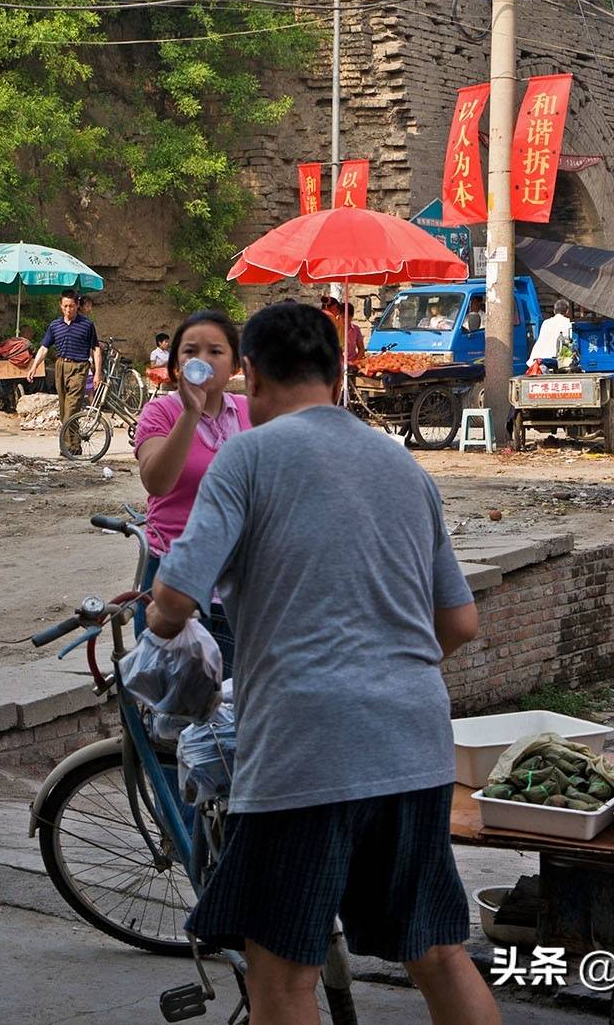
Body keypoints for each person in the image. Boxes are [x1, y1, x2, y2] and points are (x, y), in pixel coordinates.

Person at [150, 301, 496, 1025]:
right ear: (339, 376)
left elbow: (176, 597)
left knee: (283, 975)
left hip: (308, 747)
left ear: (251, 378)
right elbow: (460, 620)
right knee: (436, 951)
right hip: (415, 741)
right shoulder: (402, 464)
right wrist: (383, 664)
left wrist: (159, 615)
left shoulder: (249, 453)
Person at [133, 311, 249, 669]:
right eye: (190, 352)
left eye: (215, 351)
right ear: (175, 365)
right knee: (172, 712)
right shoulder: (159, 413)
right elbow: (157, 481)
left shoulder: (251, 413)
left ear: (234, 366)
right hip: (172, 580)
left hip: (238, 583)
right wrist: (190, 413)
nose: (202, 360)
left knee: (232, 711)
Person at [25, 290, 102, 436]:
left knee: (72, 407)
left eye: (72, 306)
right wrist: (34, 367)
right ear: (61, 306)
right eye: (65, 306)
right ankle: (72, 445)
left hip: (79, 367)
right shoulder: (55, 326)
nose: (68, 309)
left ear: (77, 305)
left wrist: (98, 373)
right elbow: (44, 348)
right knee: (63, 409)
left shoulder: (87, 325)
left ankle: (69, 447)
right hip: (61, 367)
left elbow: (96, 349)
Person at [526, 299, 573, 369]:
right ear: (567, 311)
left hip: (542, 358)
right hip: (561, 361)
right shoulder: (569, 323)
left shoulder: (546, 322)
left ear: (554, 311)